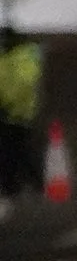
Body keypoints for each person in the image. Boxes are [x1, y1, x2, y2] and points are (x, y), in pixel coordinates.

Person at [0, 24, 40, 200]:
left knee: (14, 149)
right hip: (8, 111)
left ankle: (15, 185)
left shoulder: (24, 57)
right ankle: (17, 184)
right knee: (15, 149)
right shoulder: (7, 57)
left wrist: (7, 104)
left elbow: (23, 84)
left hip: (17, 112)